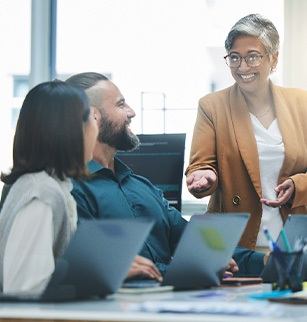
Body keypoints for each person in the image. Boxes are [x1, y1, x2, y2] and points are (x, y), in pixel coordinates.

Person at [65, 72, 256, 278]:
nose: (131, 112)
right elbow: (97, 265)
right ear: (94, 116)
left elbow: (194, 240)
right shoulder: (72, 191)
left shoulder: (142, 186)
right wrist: (199, 265)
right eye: (120, 105)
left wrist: (262, 261)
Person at [0, 81, 158, 294]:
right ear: (73, 130)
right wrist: (101, 272)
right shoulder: (42, 193)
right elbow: (23, 290)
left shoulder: (51, 185)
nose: (96, 128)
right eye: (92, 119)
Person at [185, 13, 307, 270]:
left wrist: (298, 185)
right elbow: (200, 165)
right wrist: (204, 176)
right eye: (235, 57)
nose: (242, 67)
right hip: (235, 245)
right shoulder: (212, 106)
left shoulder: (301, 103)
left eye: (252, 56)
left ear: (274, 58)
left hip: (293, 241)